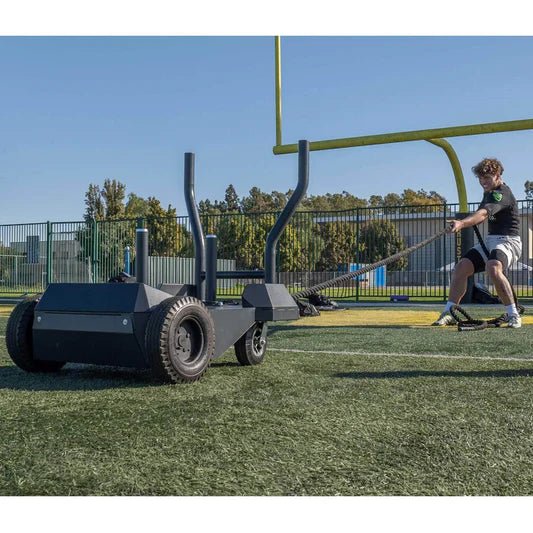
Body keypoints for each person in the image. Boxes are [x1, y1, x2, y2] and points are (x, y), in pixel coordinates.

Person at [433, 157, 522, 328]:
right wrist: (465, 221)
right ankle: (449, 312)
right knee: (461, 267)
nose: (483, 182)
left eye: (487, 178)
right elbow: (481, 216)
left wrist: (462, 223)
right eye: (481, 178)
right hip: (491, 241)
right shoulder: (488, 193)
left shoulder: (502, 193)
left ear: (497, 175)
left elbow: (482, 214)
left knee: (493, 267)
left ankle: (513, 314)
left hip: (508, 241)